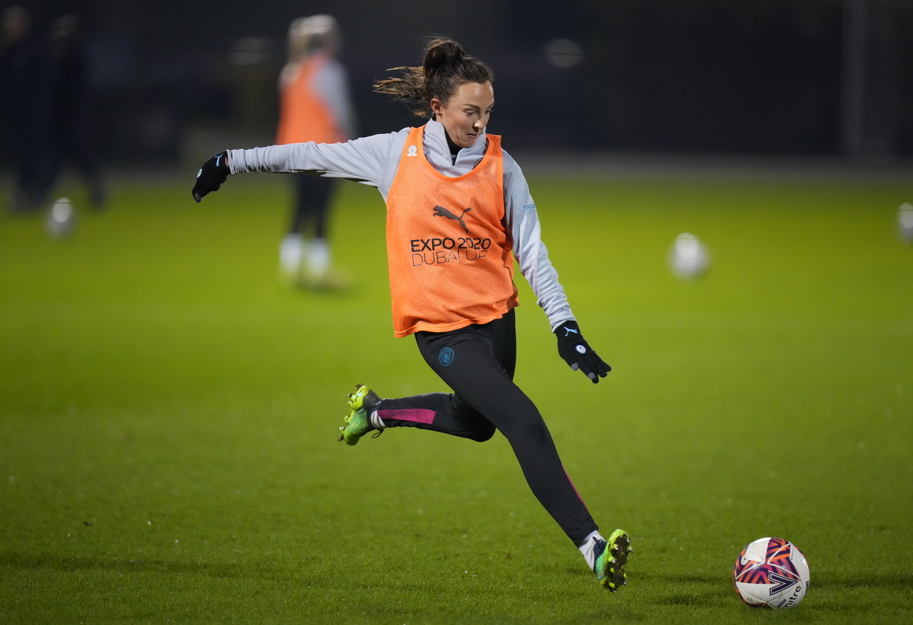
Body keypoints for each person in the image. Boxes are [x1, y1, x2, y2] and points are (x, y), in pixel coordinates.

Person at [191, 38, 631, 592]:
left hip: (497, 320)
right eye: (471, 111)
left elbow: (534, 254)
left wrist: (567, 328)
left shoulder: (502, 167)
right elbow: (311, 154)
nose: (480, 122)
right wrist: (231, 161)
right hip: (441, 329)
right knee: (522, 422)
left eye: (487, 111)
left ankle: (377, 413)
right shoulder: (392, 155)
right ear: (438, 107)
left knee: (476, 426)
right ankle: (592, 545)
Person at [276, 15, 356, 288]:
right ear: (327, 41)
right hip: (322, 150)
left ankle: (291, 272)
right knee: (322, 211)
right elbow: (340, 114)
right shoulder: (330, 71)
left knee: (299, 207)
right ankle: (320, 272)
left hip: (291, 150)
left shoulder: (291, 70)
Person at [37, 15, 107, 209]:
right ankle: (41, 194)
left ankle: (97, 191)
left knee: (82, 160)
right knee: (53, 162)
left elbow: (78, 95)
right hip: (59, 122)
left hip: (73, 122)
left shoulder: (76, 62)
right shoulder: (53, 61)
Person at [0, 5, 48, 213]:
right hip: (12, 116)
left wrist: (41, 109)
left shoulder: (33, 50)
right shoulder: (8, 54)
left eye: (14, 26)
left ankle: (29, 193)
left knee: (31, 155)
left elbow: (41, 83)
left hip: (32, 115)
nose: (11, 31)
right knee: (20, 156)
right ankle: (28, 193)